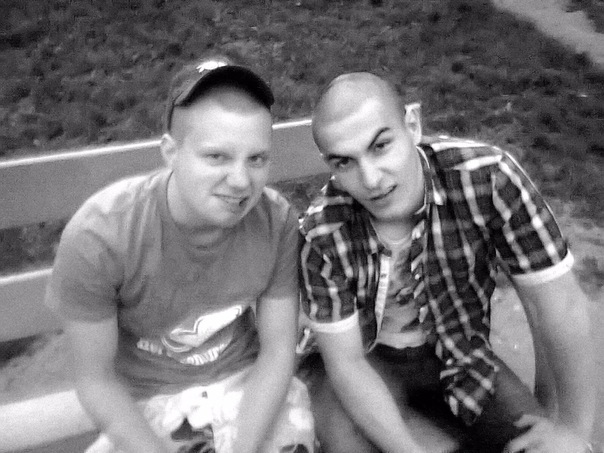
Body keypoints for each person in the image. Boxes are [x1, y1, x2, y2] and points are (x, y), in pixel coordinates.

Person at [298, 72, 598, 453]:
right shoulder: (322, 232)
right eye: (345, 163)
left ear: (412, 126)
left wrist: (572, 428)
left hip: (459, 351)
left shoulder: (489, 179)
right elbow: (347, 364)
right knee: (348, 440)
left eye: (381, 146)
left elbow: (560, 305)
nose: (371, 179)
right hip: (365, 360)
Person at [45, 55, 315, 453]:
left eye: (256, 159)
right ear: (171, 152)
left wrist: (243, 448)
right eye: (217, 157)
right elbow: (96, 380)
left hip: (249, 389)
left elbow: (277, 352)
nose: (241, 181)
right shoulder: (100, 236)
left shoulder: (275, 221)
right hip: (145, 406)